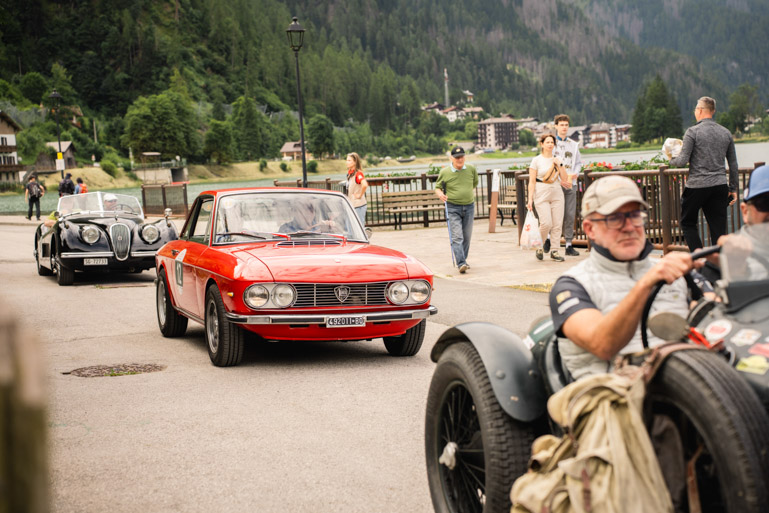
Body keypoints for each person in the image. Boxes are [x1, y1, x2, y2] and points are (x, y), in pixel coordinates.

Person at [549, 176, 694, 380]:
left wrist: (731, 265)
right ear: (590, 229)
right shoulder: (571, 286)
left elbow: (717, 319)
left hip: (691, 383)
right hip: (614, 397)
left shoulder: (675, 273)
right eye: (615, 218)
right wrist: (646, 283)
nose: (628, 227)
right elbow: (603, 345)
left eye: (635, 215)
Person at [669, 96, 739, 252]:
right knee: (719, 230)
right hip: (719, 185)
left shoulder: (692, 132)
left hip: (697, 186)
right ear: (713, 111)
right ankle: (718, 265)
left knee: (687, 223)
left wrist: (670, 159)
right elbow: (733, 164)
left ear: (699, 110)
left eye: (695, 109)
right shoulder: (726, 133)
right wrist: (733, 188)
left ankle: (699, 259)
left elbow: (681, 161)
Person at [435, 146, 478, 274]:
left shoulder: (471, 169)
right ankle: (461, 263)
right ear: (451, 158)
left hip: (469, 206)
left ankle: (463, 259)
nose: (460, 159)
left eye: (462, 156)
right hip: (453, 207)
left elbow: (474, 183)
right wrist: (440, 195)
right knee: (457, 236)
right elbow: (437, 187)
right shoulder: (445, 172)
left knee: (467, 236)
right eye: (457, 157)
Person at [526, 133, 570, 262]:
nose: (550, 144)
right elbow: (532, 181)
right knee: (546, 223)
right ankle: (539, 245)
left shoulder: (557, 159)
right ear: (542, 144)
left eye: (552, 142)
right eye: (548, 142)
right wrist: (530, 199)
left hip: (556, 191)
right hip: (541, 191)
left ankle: (555, 251)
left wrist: (560, 165)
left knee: (557, 224)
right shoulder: (536, 160)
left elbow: (565, 178)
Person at [550, 114, 583, 256]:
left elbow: (578, 163)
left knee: (570, 214)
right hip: (555, 184)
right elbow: (548, 163)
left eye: (566, 125)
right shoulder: (551, 144)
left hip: (570, 183)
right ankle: (551, 241)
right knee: (555, 214)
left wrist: (575, 174)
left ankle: (569, 244)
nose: (564, 127)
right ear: (556, 126)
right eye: (561, 125)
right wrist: (559, 178)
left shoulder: (574, 145)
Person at [345, 152, 368, 226]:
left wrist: (360, 195)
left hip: (359, 205)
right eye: (347, 160)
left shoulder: (358, 174)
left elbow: (364, 185)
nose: (347, 162)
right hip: (352, 205)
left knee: (359, 228)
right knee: (351, 228)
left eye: (349, 160)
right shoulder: (350, 174)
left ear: (355, 162)